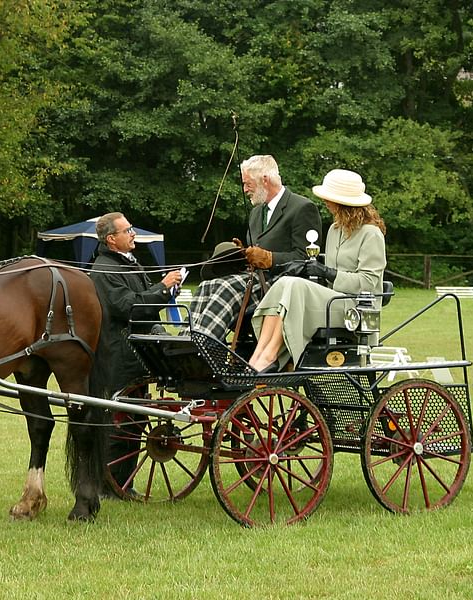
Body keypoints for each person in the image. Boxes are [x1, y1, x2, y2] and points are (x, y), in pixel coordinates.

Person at [248, 169, 387, 372]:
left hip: (356, 308)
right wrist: (308, 269)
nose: (325, 202)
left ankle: (271, 355)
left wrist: (327, 272)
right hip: (333, 301)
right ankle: (259, 355)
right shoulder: (335, 230)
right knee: (285, 281)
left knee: (294, 285)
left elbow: (368, 283)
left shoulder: (371, 234)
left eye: (328, 198)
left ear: (342, 202)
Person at [89, 212, 183, 497]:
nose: (133, 234)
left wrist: (165, 291)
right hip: (119, 354)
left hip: (138, 353)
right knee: (120, 422)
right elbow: (129, 307)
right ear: (111, 239)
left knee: (136, 421)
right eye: (127, 230)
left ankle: (123, 484)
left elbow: (143, 304)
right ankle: (109, 486)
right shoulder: (104, 269)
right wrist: (163, 288)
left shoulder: (127, 262)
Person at [189, 154, 322, 342]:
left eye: (247, 184)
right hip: (254, 279)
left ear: (265, 180)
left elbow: (306, 259)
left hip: (282, 284)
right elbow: (256, 251)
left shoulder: (302, 208)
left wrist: (269, 258)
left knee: (225, 287)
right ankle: (185, 341)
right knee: (207, 285)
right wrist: (242, 253)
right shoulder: (256, 213)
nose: (245, 190)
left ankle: (202, 344)